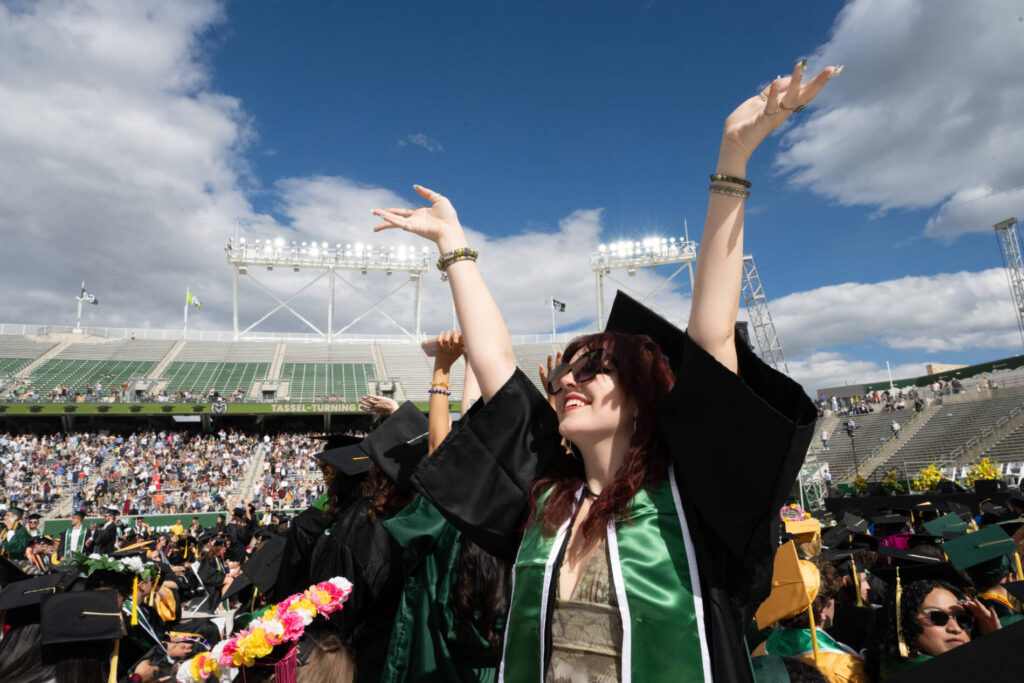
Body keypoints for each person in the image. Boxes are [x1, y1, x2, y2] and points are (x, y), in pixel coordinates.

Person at [371, 59, 837, 682]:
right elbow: (497, 367)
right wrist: (452, 245)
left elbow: (712, 338)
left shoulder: (692, 499)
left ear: (645, 396)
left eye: (593, 369)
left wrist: (733, 157)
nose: (567, 380)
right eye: (566, 371)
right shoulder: (543, 500)